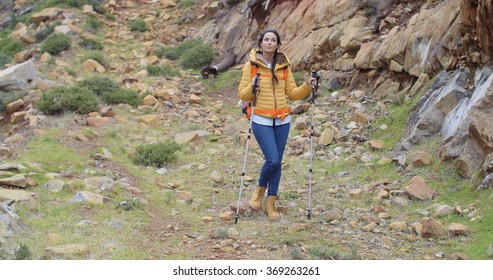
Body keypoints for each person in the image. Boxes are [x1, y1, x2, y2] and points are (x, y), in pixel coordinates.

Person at [237, 28, 317, 221]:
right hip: (261, 119)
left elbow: (292, 93)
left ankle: (271, 202)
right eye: (266, 39)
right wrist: (252, 85)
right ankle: (259, 190)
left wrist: (308, 85)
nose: (270, 42)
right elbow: (242, 94)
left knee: (278, 163)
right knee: (272, 160)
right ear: (261, 43)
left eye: (273, 40)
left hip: (282, 119)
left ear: (278, 44)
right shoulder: (251, 66)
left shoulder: (284, 66)